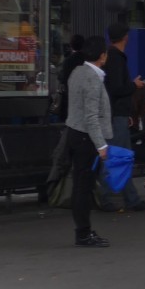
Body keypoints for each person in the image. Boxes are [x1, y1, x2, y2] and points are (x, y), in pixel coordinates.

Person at [64, 35, 111, 247]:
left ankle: (82, 230)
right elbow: (91, 116)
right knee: (85, 186)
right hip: (87, 138)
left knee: (80, 186)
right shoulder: (93, 79)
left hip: (74, 132)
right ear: (102, 56)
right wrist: (101, 145)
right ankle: (83, 233)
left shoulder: (77, 72)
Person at [103, 22, 145, 211]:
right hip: (117, 115)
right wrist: (134, 86)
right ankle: (111, 198)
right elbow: (117, 88)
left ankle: (128, 198)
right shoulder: (117, 59)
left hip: (117, 114)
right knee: (118, 157)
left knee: (120, 157)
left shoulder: (111, 57)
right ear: (125, 37)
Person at [47, 34, 87, 187]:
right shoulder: (87, 62)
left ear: (71, 45)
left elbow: (63, 80)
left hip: (70, 107)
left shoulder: (69, 61)